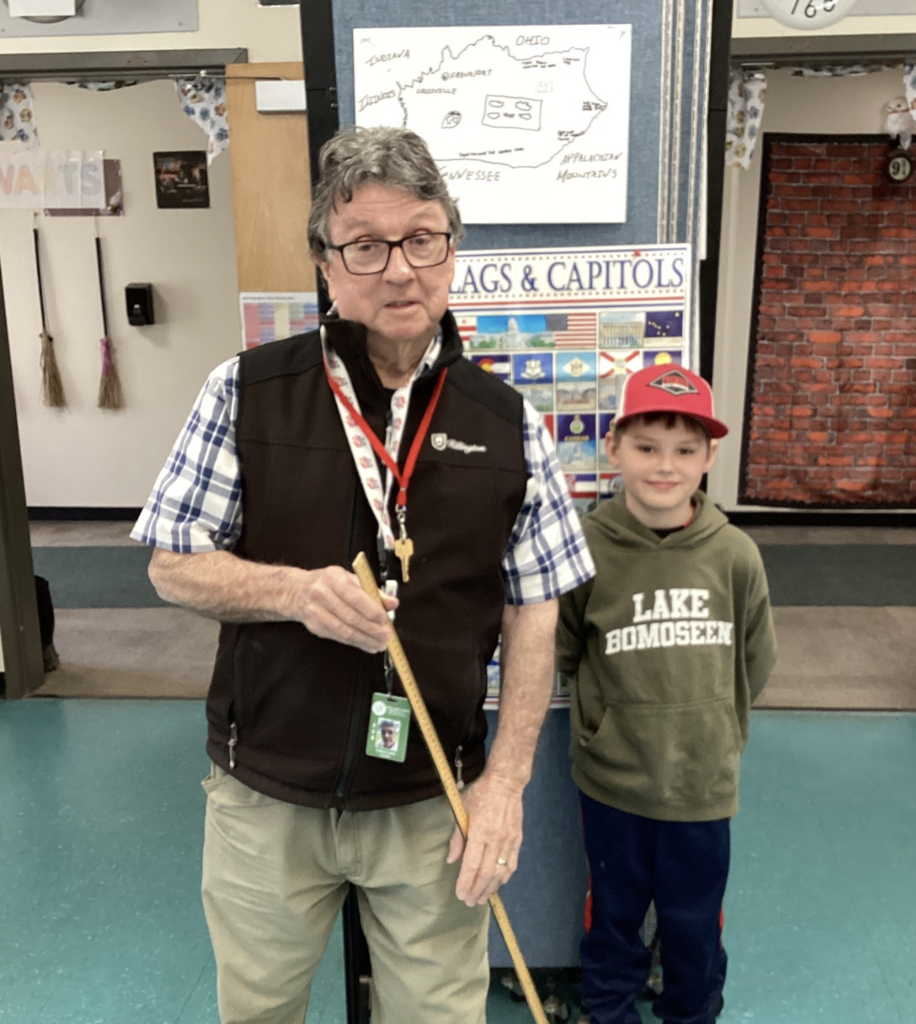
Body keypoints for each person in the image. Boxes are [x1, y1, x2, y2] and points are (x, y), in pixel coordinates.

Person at [131, 124, 594, 1024]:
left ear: (451, 249)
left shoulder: (509, 425)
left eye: (422, 239)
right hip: (266, 791)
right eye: (367, 246)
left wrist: (504, 786)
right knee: (259, 1013)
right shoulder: (246, 391)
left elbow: (536, 613)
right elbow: (170, 565)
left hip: (432, 798)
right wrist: (293, 592)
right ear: (326, 261)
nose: (399, 269)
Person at [556, 364, 776, 1024]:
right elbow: (563, 650)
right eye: (647, 447)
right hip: (613, 785)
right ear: (614, 447)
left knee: (694, 930)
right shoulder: (585, 550)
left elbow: (755, 661)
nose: (664, 466)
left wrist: (711, 732)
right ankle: (610, 1014)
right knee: (614, 919)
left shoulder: (736, 555)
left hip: (702, 787)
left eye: (684, 450)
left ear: (710, 456)